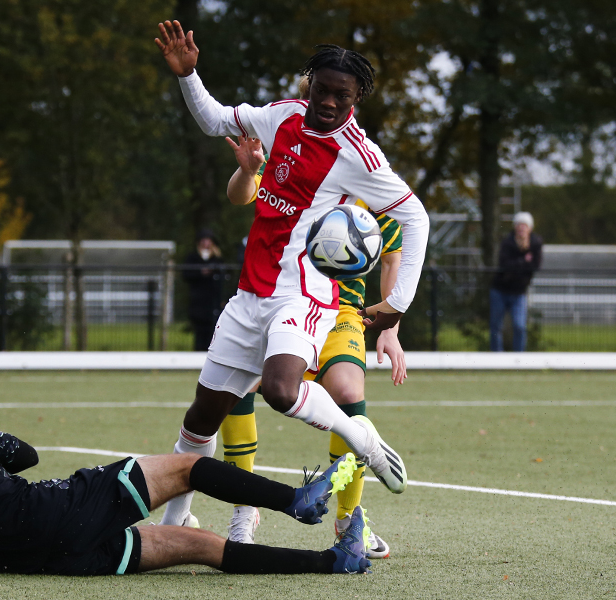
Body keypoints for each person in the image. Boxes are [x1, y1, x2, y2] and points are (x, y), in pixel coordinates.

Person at [154, 21, 429, 529]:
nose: (328, 102)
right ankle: (175, 525)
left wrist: (398, 304)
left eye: (341, 95)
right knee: (200, 420)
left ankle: (361, 437)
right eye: (322, 89)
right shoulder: (282, 116)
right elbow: (215, 120)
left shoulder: (360, 155)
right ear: (310, 84)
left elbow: (416, 218)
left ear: (356, 99)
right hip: (249, 296)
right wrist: (188, 75)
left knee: (281, 390)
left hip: (303, 296)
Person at [0, 362, 372, 576]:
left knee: (198, 546)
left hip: (32, 559)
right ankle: (296, 500)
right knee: (188, 467)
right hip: (52, 511)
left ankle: (333, 562)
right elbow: (23, 455)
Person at [221, 130, 405, 556]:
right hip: (282, 299)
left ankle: (349, 520)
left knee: (349, 393)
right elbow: (240, 195)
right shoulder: (293, 163)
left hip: (342, 312)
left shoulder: (371, 179)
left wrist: (391, 328)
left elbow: (393, 256)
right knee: (237, 385)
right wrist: (247, 171)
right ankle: (244, 509)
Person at [489, 212, 543, 352]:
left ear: (530, 228)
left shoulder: (535, 243)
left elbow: (535, 266)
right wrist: (524, 261)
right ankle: (496, 356)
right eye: (519, 225)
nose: (521, 228)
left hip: (519, 292)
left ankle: (519, 357)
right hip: (500, 290)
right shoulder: (507, 242)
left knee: (520, 326)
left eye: (524, 226)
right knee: (496, 326)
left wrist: (517, 264)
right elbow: (505, 265)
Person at [183, 229, 224, 351]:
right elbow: (186, 275)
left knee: (213, 330)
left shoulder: (217, 258)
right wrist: (200, 273)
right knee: (200, 332)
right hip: (199, 300)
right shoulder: (193, 257)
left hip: (213, 300)